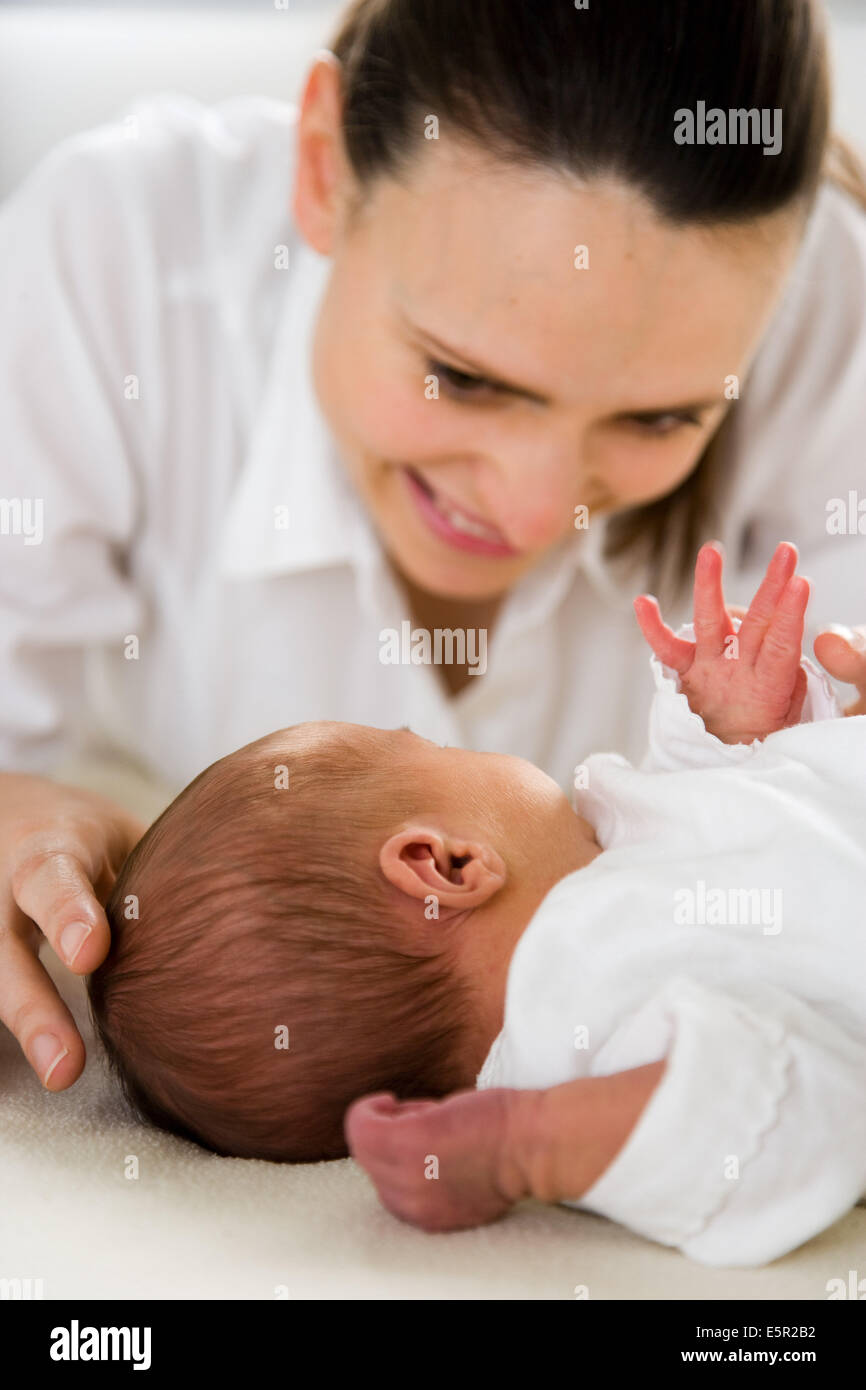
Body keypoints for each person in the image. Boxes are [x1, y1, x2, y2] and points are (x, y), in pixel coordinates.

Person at [1, 0, 866, 1095]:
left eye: (661, 419)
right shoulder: (107, 266)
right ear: (320, 168)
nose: (536, 505)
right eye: (462, 377)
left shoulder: (829, 306)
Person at [86, 540, 866, 1266]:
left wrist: (734, 728)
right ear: (447, 865)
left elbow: (734, 830)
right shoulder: (578, 1016)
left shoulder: (605, 887)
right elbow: (787, 1109)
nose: (459, 743)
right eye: (435, 748)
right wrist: (524, 1145)